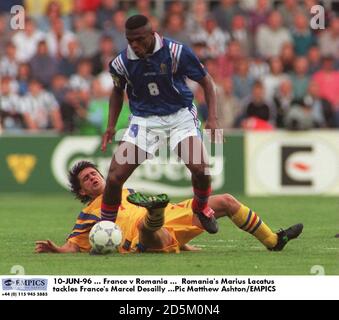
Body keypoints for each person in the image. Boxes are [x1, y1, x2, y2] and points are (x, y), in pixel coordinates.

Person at [100, 14, 221, 234]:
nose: (134, 45)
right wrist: (111, 125)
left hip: (179, 117)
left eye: (139, 40)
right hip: (145, 121)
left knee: (200, 169)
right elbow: (117, 91)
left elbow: (207, 81)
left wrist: (212, 117)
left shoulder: (176, 52)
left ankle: (201, 208)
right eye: (130, 41)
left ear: (152, 34)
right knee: (115, 176)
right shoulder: (120, 63)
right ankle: (106, 227)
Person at [35, 161, 303, 254]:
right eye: (86, 179)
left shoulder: (126, 192)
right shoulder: (89, 213)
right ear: (82, 191)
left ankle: (273, 241)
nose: (93, 177)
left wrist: (185, 243)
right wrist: (56, 249)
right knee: (144, 224)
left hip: (173, 216)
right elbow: (73, 245)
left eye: (94, 173)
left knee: (226, 201)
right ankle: (155, 213)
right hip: (142, 241)